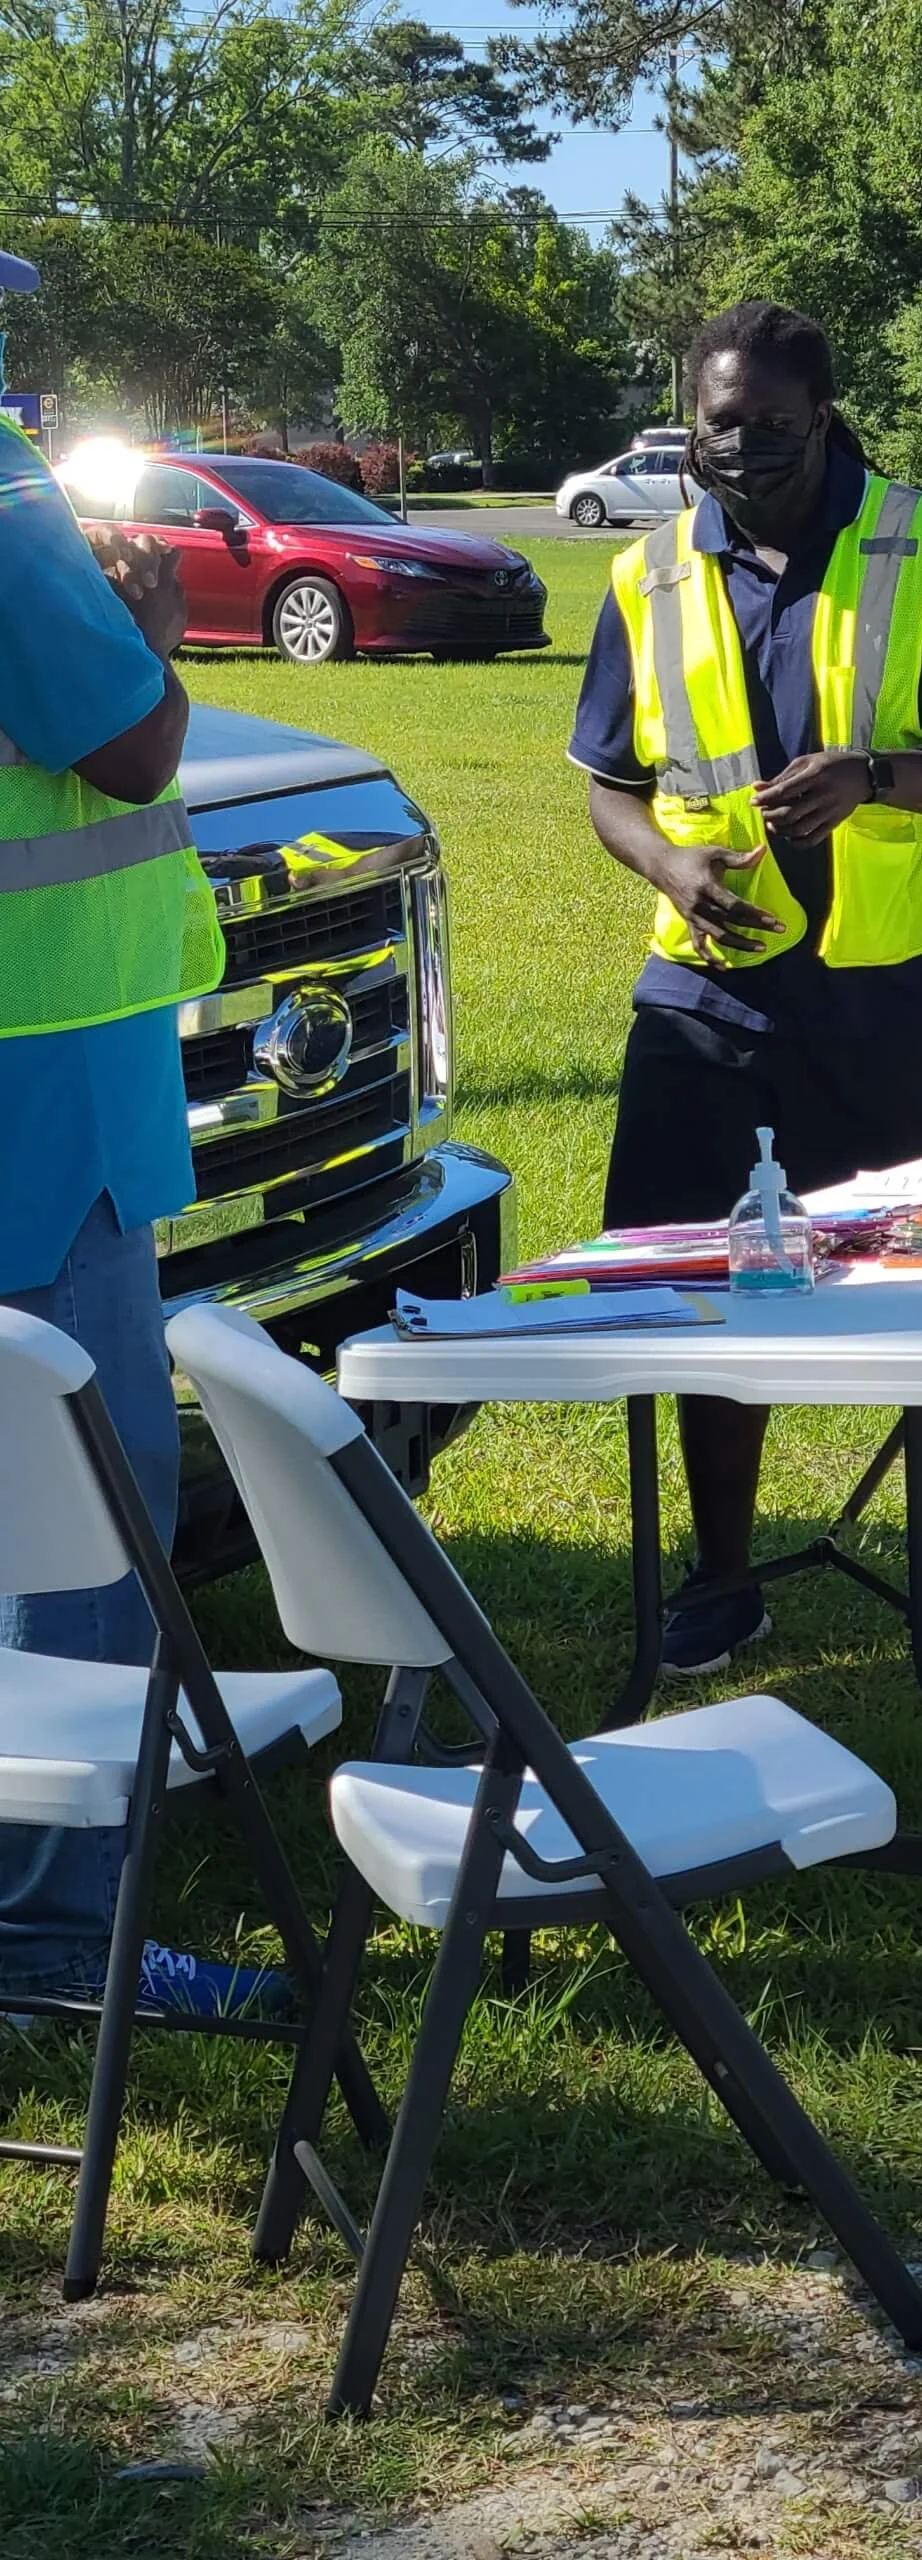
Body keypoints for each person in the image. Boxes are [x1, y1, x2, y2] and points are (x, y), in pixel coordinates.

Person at [570, 299, 922, 1673]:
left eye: (770, 424)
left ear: (824, 416)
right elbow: (609, 783)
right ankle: (722, 1570)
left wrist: (874, 776)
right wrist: (665, 864)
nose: (742, 446)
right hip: (707, 996)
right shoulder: (648, 575)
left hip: (887, 996)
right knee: (692, 1279)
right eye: (719, 423)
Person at [0, 249, 286, 2013]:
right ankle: (52, 1934)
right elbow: (126, 744)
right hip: (40, 1070)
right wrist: (154, 632)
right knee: (78, 1508)